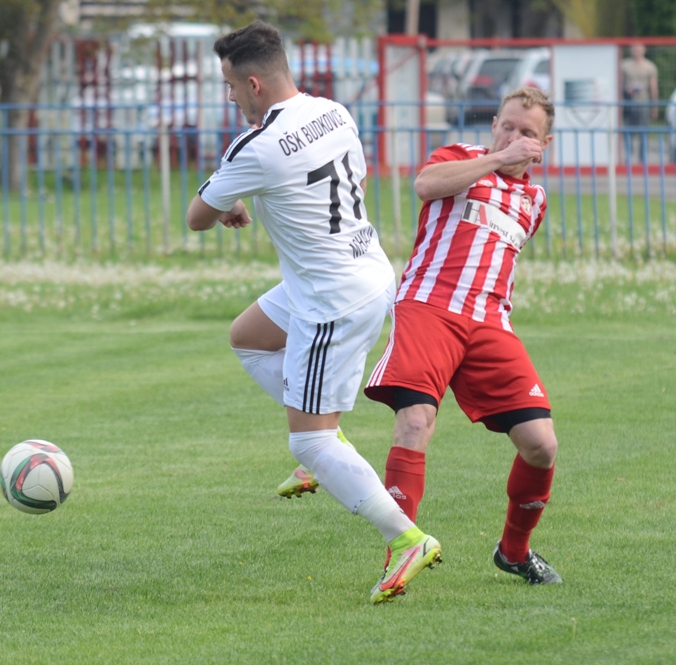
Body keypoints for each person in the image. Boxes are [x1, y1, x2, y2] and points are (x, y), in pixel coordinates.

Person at [186, 20, 441, 604]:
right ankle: (329, 436)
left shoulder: (256, 145)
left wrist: (226, 198)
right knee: (248, 336)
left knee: (308, 444)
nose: (230, 97)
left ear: (253, 84)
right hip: (363, 269)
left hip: (333, 298)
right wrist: (242, 193)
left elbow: (197, 217)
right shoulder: (333, 111)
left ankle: (406, 538)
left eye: (231, 86)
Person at [364, 86, 563, 585]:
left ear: (544, 145)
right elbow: (425, 185)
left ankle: (514, 552)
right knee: (416, 421)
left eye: (527, 132)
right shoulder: (460, 157)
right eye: (507, 126)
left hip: (491, 321)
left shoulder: (535, 200)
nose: (514, 137)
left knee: (541, 444)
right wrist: (496, 159)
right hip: (430, 305)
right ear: (494, 124)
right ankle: (400, 554)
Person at [621, 43, 659, 164]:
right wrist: (626, 90)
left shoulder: (649, 67)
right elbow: (619, 83)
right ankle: (628, 157)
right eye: (634, 49)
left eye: (639, 49)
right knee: (627, 131)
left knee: (643, 131)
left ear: (644, 50)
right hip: (628, 103)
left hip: (643, 103)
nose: (637, 52)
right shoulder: (625, 66)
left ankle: (642, 159)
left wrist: (654, 107)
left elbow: (653, 87)